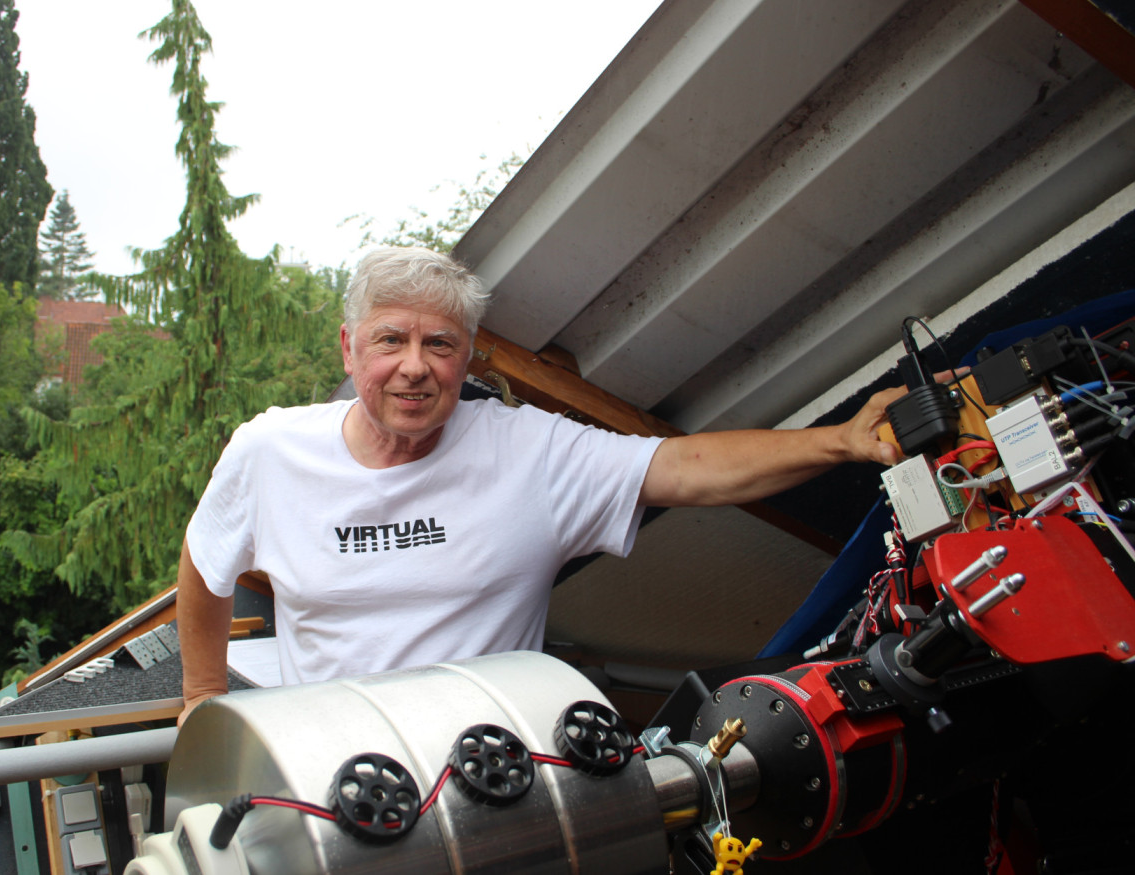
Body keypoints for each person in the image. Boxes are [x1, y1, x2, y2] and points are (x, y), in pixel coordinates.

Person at [176, 247, 903, 724]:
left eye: (439, 344)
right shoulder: (269, 451)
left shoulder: (530, 450)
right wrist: (202, 696)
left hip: (493, 779)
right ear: (349, 347)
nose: (414, 366)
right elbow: (205, 561)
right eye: (390, 339)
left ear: (468, 357)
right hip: (328, 777)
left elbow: (685, 467)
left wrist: (841, 440)